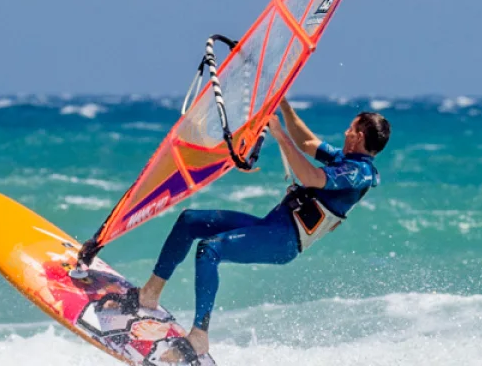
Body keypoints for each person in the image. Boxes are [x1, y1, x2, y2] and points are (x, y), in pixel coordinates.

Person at [136, 97, 388, 355]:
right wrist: (284, 104)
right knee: (189, 221)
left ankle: (199, 336)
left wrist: (279, 134)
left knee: (209, 250)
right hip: (271, 226)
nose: (345, 132)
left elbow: (311, 177)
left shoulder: (359, 174)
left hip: (283, 241)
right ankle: (150, 293)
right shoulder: (344, 159)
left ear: (359, 137)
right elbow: (307, 142)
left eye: (350, 129)